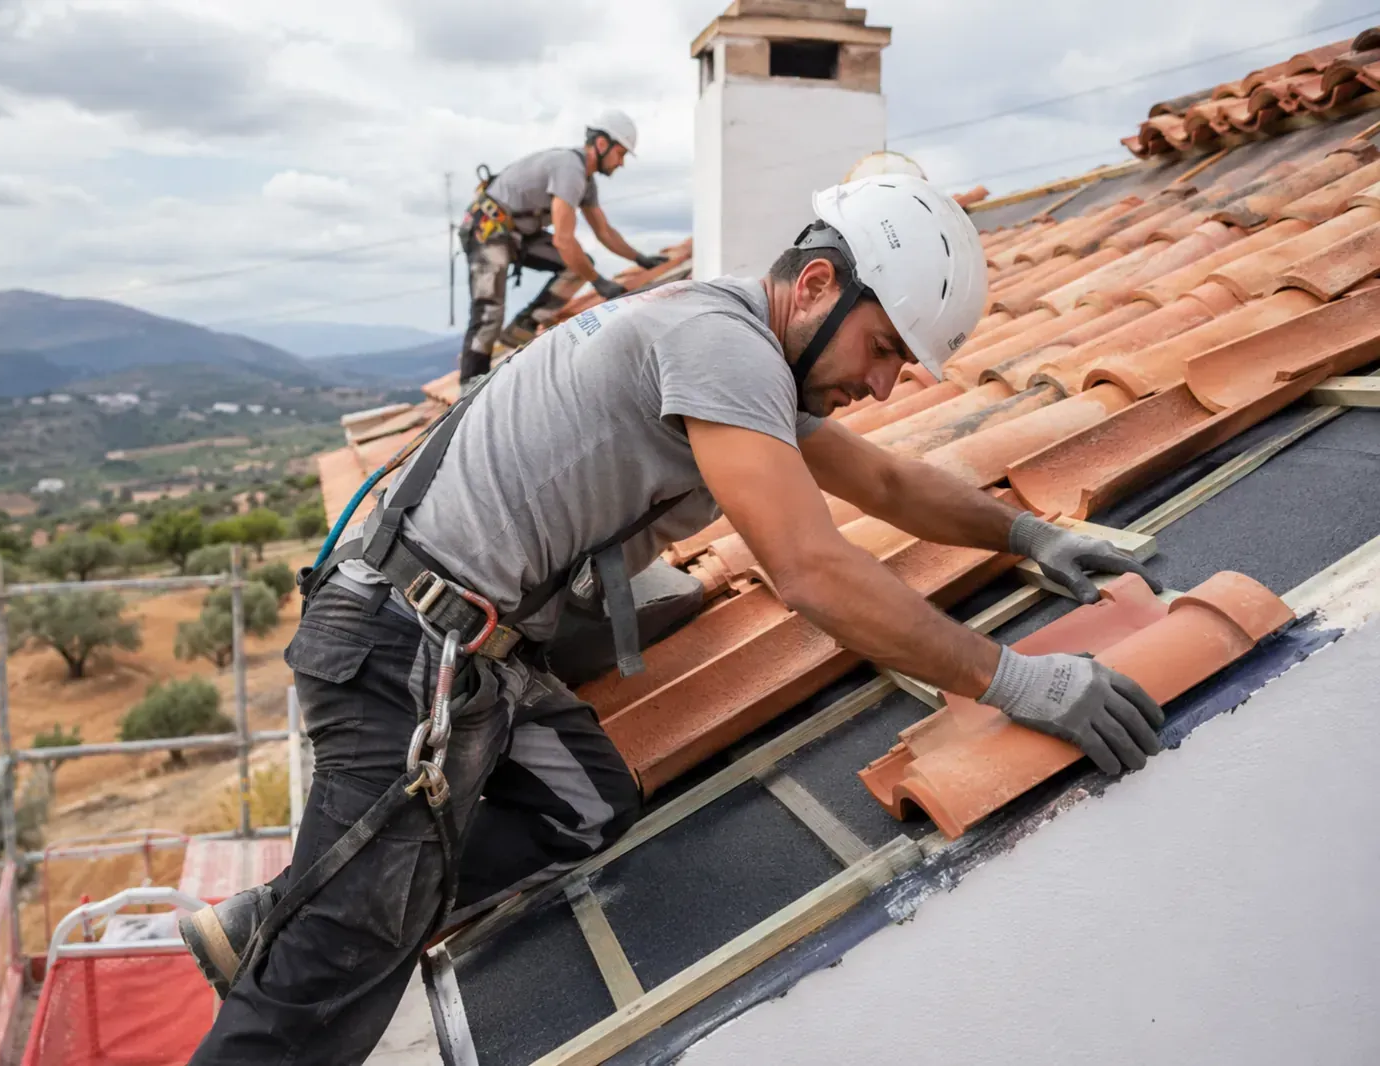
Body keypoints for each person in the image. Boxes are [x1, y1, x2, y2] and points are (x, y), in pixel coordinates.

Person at [183, 174, 1165, 1065]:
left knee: (587, 800)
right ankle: (327, 914)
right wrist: (1022, 679)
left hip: (470, 653)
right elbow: (812, 570)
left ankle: (297, 901)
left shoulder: (737, 349)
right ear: (817, 284)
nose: (880, 385)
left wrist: (1025, 534)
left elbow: (884, 479)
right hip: (404, 646)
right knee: (324, 988)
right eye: (883, 350)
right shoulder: (721, 343)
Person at [456, 109, 670, 385]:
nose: (621, 163)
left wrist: (639, 258)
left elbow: (604, 231)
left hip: (518, 234)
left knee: (579, 265)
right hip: (488, 229)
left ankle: (523, 326)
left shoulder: (586, 181)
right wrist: (599, 282)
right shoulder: (569, 168)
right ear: (602, 144)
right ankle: (470, 382)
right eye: (621, 153)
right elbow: (564, 240)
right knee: (489, 308)